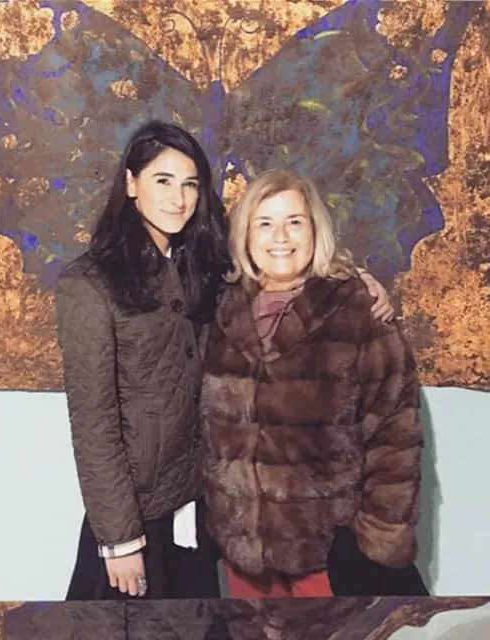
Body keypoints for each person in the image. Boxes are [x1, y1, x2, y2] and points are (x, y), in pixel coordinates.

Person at [56, 121, 395, 600]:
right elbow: (94, 425)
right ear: (131, 184)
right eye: (162, 180)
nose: (178, 198)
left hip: (203, 511)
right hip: (136, 517)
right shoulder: (90, 285)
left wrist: (354, 282)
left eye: (190, 184)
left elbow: (276, 268)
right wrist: (118, 540)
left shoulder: (203, 268)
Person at [200, 168, 425, 598]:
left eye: (294, 222)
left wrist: (378, 537)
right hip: (244, 552)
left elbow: (395, 434)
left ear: (315, 230)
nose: (280, 237)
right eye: (265, 224)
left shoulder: (356, 311)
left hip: (328, 552)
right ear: (246, 235)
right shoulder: (223, 311)